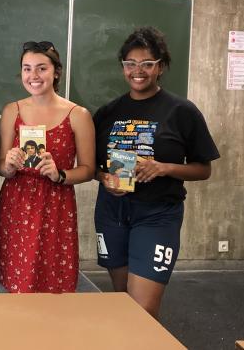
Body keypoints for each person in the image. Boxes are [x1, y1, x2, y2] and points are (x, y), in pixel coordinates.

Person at [93, 27, 219, 318]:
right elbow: (93, 167)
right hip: (112, 212)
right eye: (130, 64)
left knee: (143, 309)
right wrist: (104, 178)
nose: (138, 71)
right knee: (122, 303)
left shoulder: (182, 111)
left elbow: (204, 169)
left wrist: (162, 168)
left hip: (157, 215)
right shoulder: (107, 112)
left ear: (160, 66)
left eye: (147, 64)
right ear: (123, 67)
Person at [0, 41, 95, 293]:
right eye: (27, 69)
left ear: (56, 72)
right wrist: (8, 164)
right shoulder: (11, 111)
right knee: (17, 283)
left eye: (41, 68)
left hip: (56, 205)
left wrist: (60, 174)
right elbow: (1, 166)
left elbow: (88, 169)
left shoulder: (78, 114)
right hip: (17, 204)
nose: (33, 76)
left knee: (55, 283)